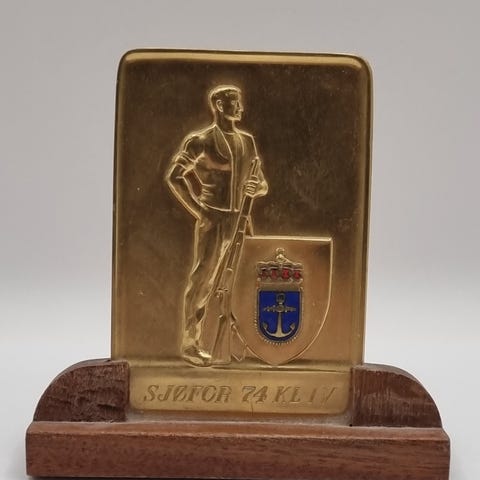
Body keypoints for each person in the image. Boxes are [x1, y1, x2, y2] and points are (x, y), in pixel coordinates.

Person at [166, 85, 268, 366]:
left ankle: (243, 340)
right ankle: (191, 344)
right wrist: (200, 211)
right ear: (220, 106)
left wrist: (256, 187)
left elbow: (261, 184)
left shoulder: (248, 141)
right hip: (214, 219)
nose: (241, 107)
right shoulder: (200, 140)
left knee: (246, 278)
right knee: (203, 280)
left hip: (242, 220)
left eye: (240, 102)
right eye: (235, 102)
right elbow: (175, 176)